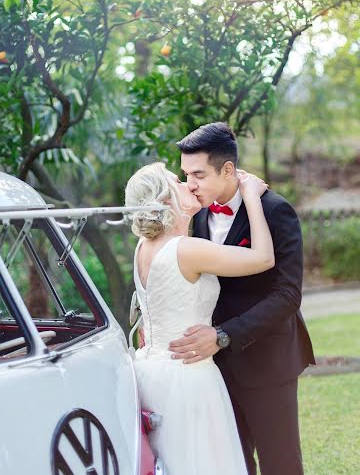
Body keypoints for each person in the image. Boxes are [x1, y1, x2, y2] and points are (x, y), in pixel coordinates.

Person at [169, 122, 315, 475]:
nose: (190, 184)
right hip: (215, 367)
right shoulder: (197, 214)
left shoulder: (275, 210)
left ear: (228, 169)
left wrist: (223, 335)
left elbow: (288, 295)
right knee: (233, 462)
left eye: (199, 174)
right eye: (186, 174)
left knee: (280, 463)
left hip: (268, 360)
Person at [125, 161, 274, 475]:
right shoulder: (186, 250)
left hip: (150, 371)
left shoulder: (143, 246)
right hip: (187, 375)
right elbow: (263, 258)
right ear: (166, 201)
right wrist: (251, 197)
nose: (188, 185)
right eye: (178, 182)